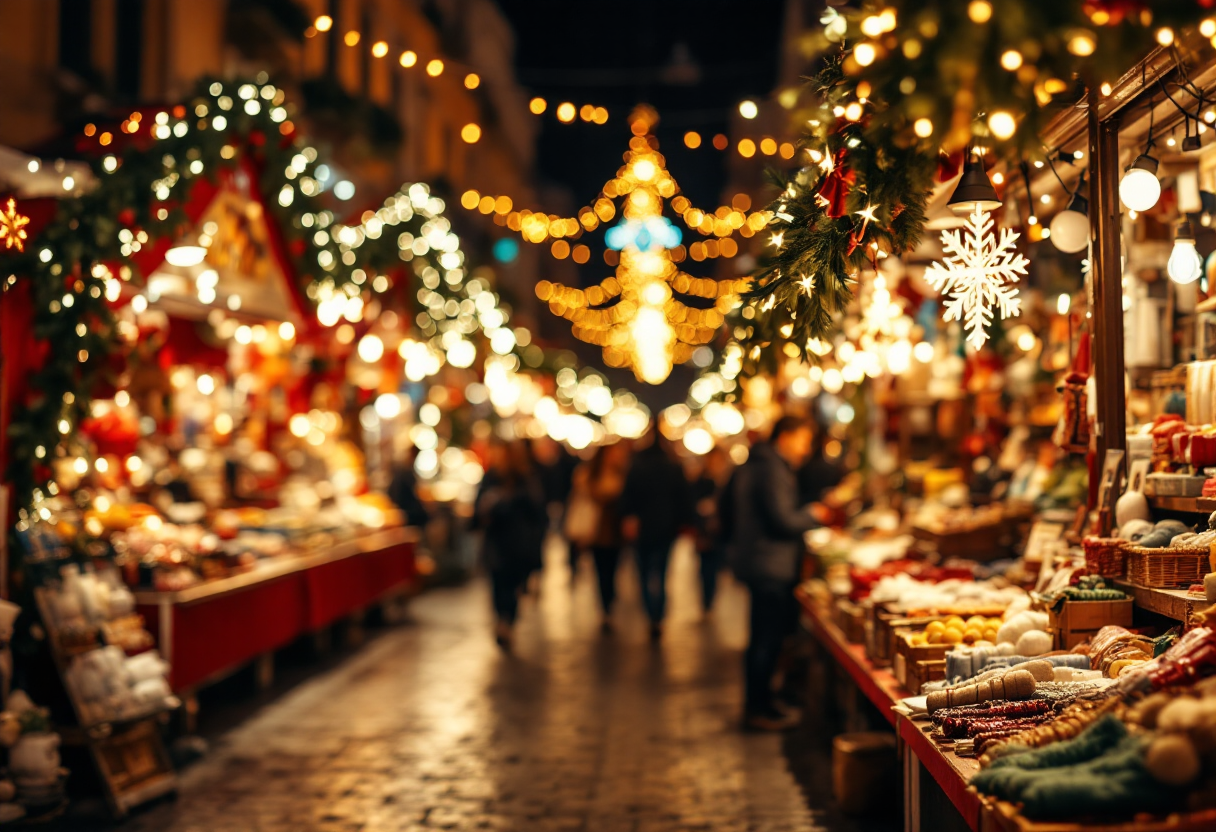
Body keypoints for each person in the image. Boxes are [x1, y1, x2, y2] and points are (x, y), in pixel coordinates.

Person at [723, 415, 817, 731]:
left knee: (764, 637)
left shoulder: (758, 464)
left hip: (760, 561)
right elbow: (783, 519)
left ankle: (763, 701)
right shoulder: (770, 468)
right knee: (766, 639)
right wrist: (814, 515)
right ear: (787, 436)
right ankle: (757, 707)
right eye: (804, 440)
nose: (806, 449)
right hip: (769, 564)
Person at [473, 440, 548, 648]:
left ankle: (508, 621)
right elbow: (478, 508)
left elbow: (537, 512)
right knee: (498, 584)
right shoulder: (491, 478)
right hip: (497, 543)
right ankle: (503, 621)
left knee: (512, 585)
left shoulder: (525, 478)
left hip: (518, 543)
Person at [620, 426, 692, 642]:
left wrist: (629, 517)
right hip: (666, 527)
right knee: (661, 572)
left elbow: (628, 496)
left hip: (643, 527)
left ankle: (651, 613)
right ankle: (657, 615)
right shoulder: (673, 466)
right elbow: (684, 498)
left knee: (643, 572)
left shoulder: (638, 465)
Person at [566, 442, 631, 629]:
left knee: (613, 570)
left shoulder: (623, 474)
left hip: (616, 531)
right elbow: (578, 502)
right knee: (601, 571)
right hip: (596, 531)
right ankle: (605, 608)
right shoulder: (588, 476)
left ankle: (609, 602)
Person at [691, 445, 732, 614]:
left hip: (719, 532)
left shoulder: (725, 482)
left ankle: (710, 601)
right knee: (705, 569)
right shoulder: (701, 481)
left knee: (716, 568)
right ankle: (706, 601)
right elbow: (691, 504)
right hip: (704, 532)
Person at [387, 448, 431, 527]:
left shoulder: (401, 469)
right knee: (428, 515)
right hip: (407, 513)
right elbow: (417, 494)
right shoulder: (407, 472)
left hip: (401, 510)